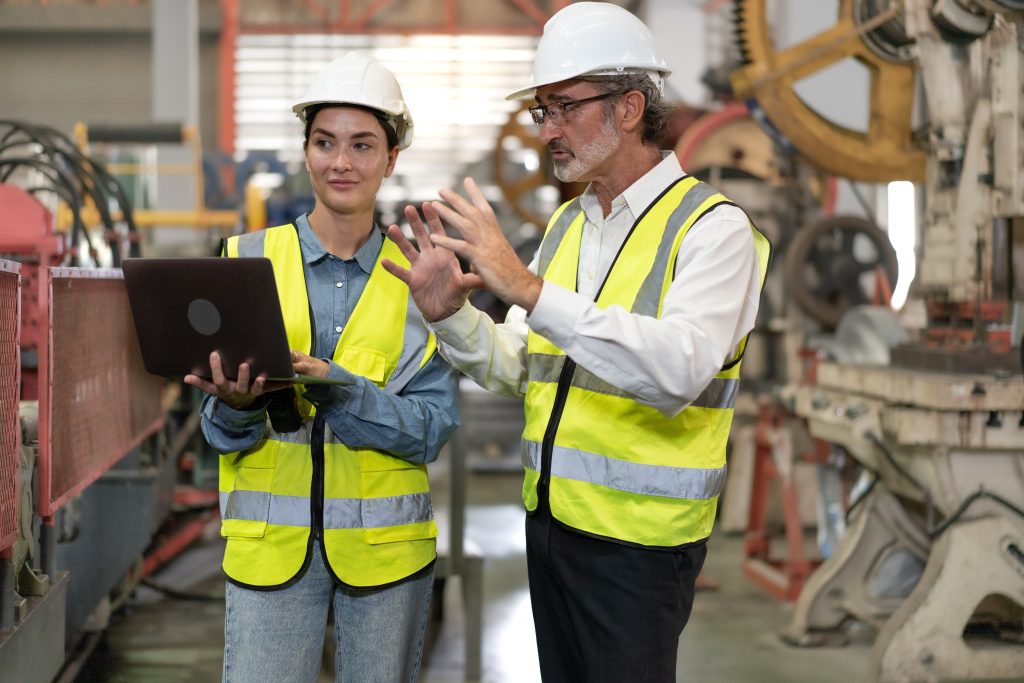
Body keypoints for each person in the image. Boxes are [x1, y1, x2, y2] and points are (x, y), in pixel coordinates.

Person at [383, 3, 771, 681]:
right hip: (552, 525)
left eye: (563, 107)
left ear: (628, 108)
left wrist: (531, 290)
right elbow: (521, 366)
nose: (549, 131)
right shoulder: (569, 224)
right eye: (542, 111)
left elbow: (678, 368)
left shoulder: (713, 230)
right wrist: (452, 316)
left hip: (641, 545)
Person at [184, 52, 459, 683]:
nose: (342, 162)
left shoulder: (422, 278)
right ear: (305, 151)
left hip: (386, 560)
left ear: (391, 159)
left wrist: (339, 390)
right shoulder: (244, 259)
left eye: (363, 145)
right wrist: (237, 404)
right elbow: (217, 436)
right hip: (268, 555)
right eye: (325, 142)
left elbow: (431, 429)